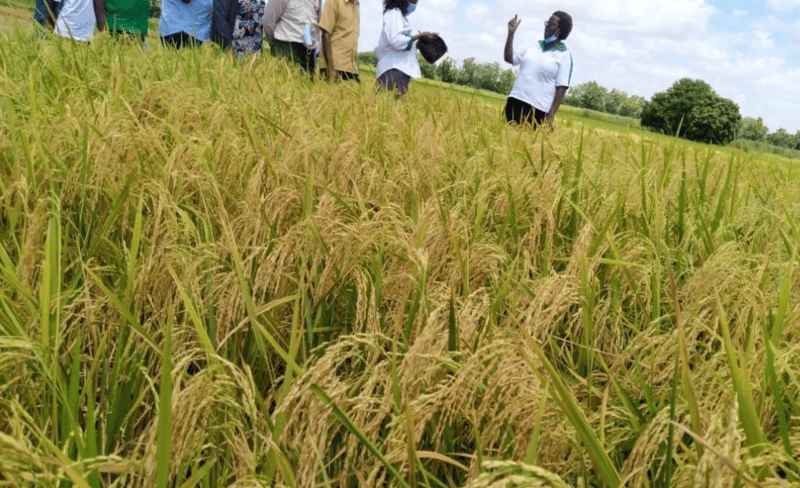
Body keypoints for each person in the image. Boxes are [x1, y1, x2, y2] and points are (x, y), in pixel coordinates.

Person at [503, 11, 573, 128]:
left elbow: (561, 88)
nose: (546, 26)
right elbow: (509, 58)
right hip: (515, 101)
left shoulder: (564, 56)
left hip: (537, 110)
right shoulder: (533, 44)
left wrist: (550, 116)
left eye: (551, 24)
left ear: (560, 30)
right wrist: (511, 33)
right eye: (546, 23)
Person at [376, 0, 435, 95]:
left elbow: (403, 44)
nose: (415, 5)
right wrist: (419, 36)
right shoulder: (393, 14)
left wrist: (419, 42)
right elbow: (396, 41)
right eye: (414, 1)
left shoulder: (400, 16)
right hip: (393, 70)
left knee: (390, 106)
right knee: (385, 105)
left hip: (399, 70)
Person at [263, 0, 322, 73]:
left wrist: (316, 49)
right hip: (286, 48)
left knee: (307, 83)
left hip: (309, 51)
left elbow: (318, 23)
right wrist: (275, 44)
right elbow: (268, 22)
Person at [318, 0, 360, 82]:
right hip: (335, 67)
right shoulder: (333, 2)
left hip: (350, 69)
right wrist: (331, 70)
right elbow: (326, 34)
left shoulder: (355, 5)